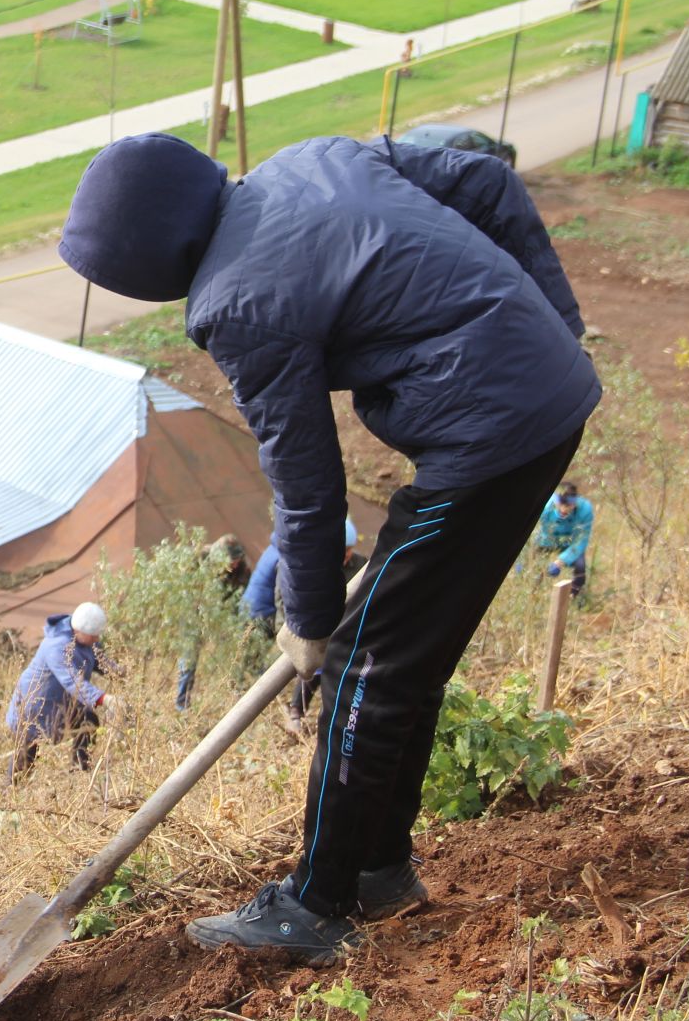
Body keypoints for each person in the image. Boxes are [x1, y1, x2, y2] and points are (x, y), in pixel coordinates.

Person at [59, 132, 598, 961]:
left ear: (145, 265)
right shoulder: (315, 158)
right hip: (538, 408)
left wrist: (306, 620)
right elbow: (486, 177)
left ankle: (314, 905)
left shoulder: (235, 301)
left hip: (487, 436)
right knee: (404, 658)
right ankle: (379, 867)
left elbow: (308, 484)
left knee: (363, 662)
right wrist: (559, 326)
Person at [240, 517, 363, 734]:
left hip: (342, 628)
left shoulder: (358, 564)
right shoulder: (306, 564)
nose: (348, 555)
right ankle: (292, 711)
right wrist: (291, 630)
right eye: (344, 550)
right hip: (291, 620)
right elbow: (284, 598)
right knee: (309, 663)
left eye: (350, 550)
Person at [6, 602, 116, 778]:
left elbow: (99, 660)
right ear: (79, 630)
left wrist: (120, 672)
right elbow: (72, 680)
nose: (97, 639)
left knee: (88, 720)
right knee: (25, 757)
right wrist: (103, 699)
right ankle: (9, 795)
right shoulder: (56, 646)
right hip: (32, 710)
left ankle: (80, 770)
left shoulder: (83, 641)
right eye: (93, 636)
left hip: (59, 706)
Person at [174, 534, 250, 712]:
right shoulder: (199, 558)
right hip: (194, 613)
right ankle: (181, 706)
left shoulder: (242, 569)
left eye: (237, 560)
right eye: (232, 561)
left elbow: (238, 598)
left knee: (232, 656)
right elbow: (182, 589)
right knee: (189, 659)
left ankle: (236, 703)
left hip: (221, 614)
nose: (235, 564)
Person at [537, 482, 592, 597]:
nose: (563, 509)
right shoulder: (546, 507)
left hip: (570, 543)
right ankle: (534, 595)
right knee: (535, 571)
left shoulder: (585, 510)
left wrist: (561, 561)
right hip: (547, 539)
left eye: (568, 506)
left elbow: (581, 540)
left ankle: (573, 599)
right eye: (561, 504)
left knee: (580, 569)